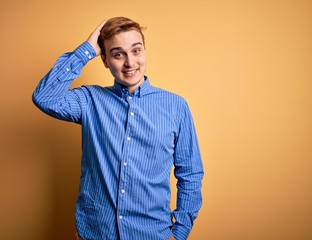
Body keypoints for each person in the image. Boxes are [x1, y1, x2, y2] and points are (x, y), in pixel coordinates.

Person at [33, 17, 204, 240]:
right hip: (95, 233)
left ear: (145, 51)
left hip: (152, 234)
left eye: (136, 50)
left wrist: (179, 232)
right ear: (104, 60)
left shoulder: (176, 106)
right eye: (117, 54)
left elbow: (190, 173)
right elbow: (44, 97)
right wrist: (86, 50)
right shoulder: (90, 100)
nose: (130, 62)